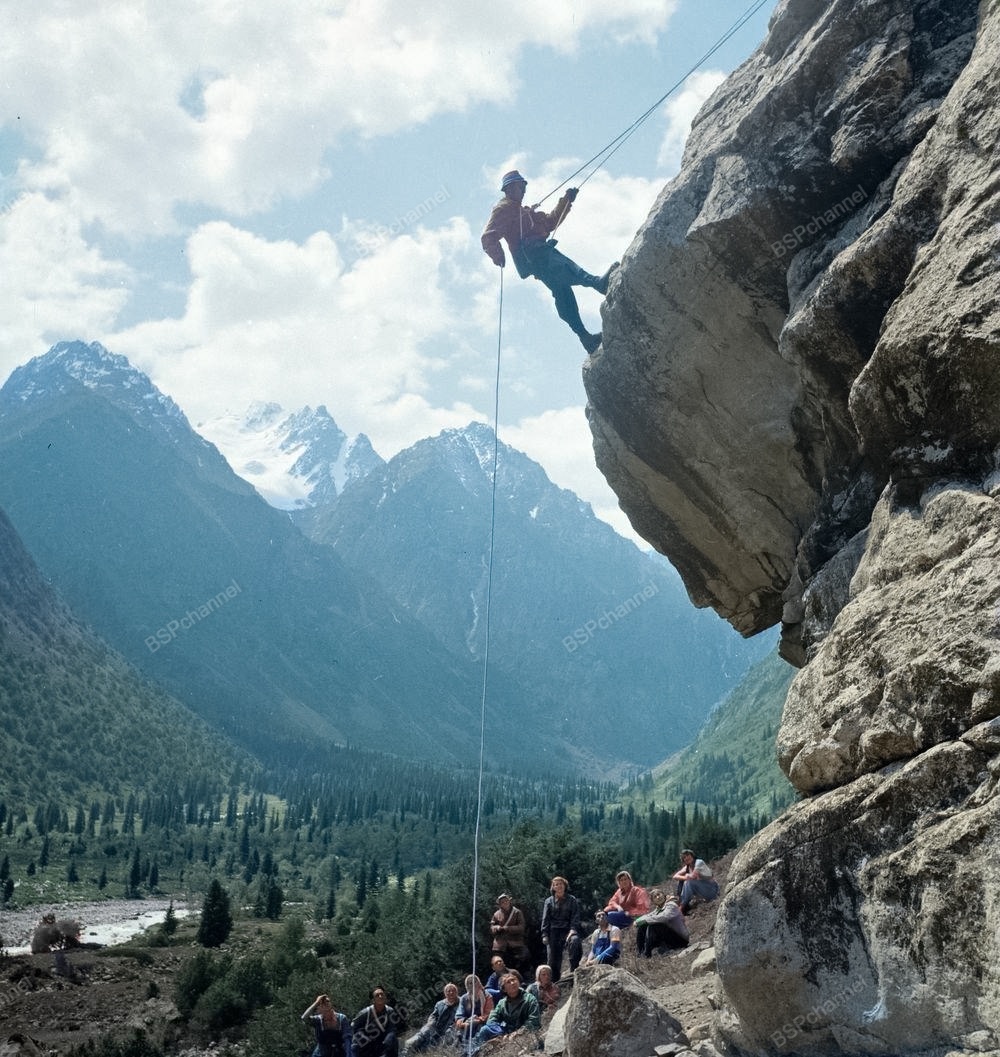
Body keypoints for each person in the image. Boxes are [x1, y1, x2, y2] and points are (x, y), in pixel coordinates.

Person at [481, 170, 618, 354]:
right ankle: (598, 283)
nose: (523, 190)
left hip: (535, 257)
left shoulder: (525, 213)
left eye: (523, 187)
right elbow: (488, 237)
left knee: (563, 294)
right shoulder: (503, 209)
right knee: (567, 267)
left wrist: (567, 200)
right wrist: (498, 255)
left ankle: (585, 338)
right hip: (535, 253)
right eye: (520, 187)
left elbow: (551, 221)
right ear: (509, 189)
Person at [470, 971, 541, 1054]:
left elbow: (534, 1021)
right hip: (507, 1032)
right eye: (508, 982)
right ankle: (471, 1053)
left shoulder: (529, 999)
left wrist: (518, 1032)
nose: (512, 983)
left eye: (514, 980)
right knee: (484, 1029)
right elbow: (493, 1018)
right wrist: (499, 1033)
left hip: (526, 1032)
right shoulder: (502, 1003)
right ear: (504, 989)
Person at [540, 875, 582, 983]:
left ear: (565, 885)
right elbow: (545, 918)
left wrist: (572, 930)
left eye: (560, 884)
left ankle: (574, 971)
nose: (558, 886)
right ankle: (554, 982)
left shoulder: (572, 900)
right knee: (552, 958)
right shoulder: (549, 901)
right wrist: (544, 934)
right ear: (553, 887)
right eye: (556, 884)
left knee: (575, 941)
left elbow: (575, 917)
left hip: (568, 930)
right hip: (553, 931)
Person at [405, 981, 460, 1052]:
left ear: (457, 992)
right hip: (437, 1027)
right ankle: (411, 1045)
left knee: (437, 1044)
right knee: (424, 1031)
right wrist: (431, 1023)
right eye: (448, 991)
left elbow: (463, 1015)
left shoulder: (461, 1002)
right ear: (445, 993)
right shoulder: (440, 1004)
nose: (451, 993)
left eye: (453, 991)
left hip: (451, 1029)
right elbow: (433, 1016)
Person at [351, 986, 405, 1057]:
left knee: (393, 1040)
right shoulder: (365, 1013)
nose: (380, 996)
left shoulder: (390, 1011)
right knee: (355, 1046)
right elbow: (354, 1027)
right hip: (366, 1042)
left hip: (382, 1041)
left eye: (382, 994)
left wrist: (388, 1038)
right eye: (377, 995)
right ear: (373, 1000)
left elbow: (391, 1028)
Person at [634, 890, 689, 957]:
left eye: (659, 894)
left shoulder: (671, 905)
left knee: (654, 926)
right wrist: (637, 921)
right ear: (653, 902)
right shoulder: (658, 909)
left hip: (681, 940)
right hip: (670, 938)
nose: (658, 897)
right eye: (655, 897)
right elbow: (649, 916)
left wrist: (645, 920)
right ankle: (640, 952)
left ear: (663, 895)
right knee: (642, 927)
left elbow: (664, 917)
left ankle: (647, 954)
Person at [672, 849, 720, 914]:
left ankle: (681, 908)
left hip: (712, 890)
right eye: (684, 858)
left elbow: (693, 876)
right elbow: (675, 876)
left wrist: (687, 876)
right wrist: (686, 876)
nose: (686, 858)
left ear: (692, 855)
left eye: (687, 855)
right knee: (682, 881)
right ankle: (682, 904)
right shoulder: (687, 867)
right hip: (704, 890)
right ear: (683, 861)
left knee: (689, 882)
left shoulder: (699, 862)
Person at [490, 892, 529, 971]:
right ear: (500, 904)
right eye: (502, 902)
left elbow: (521, 927)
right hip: (500, 944)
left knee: (524, 956)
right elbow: (491, 927)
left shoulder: (517, 912)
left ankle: (522, 977)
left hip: (515, 942)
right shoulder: (496, 914)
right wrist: (497, 928)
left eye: (506, 901)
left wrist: (507, 928)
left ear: (509, 901)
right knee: (498, 961)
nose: (505, 903)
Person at [455, 973, 494, 1052]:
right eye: (470, 983)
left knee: (480, 1030)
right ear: (467, 985)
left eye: (475, 981)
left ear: (479, 982)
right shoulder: (464, 998)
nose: (473, 984)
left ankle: (475, 1049)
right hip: (468, 1022)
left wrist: (479, 1020)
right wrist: (462, 1023)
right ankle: (464, 1049)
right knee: (460, 1033)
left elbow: (489, 1012)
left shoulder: (487, 996)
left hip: (483, 1021)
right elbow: (459, 1014)